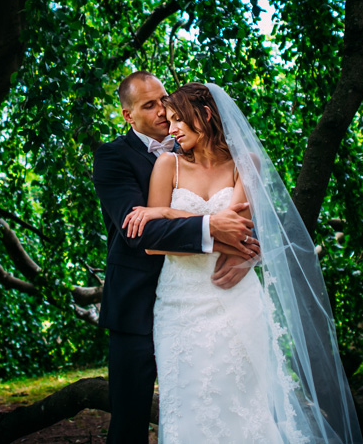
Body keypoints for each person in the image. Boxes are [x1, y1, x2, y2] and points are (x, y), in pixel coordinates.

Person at [123, 82, 363, 444]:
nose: (170, 128)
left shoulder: (245, 164)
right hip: (179, 304)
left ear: (204, 115)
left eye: (178, 120)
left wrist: (167, 212)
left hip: (236, 298)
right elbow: (155, 245)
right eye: (168, 119)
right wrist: (198, 225)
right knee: (188, 402)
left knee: (247, 400)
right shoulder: (166, 164)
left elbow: (239, 232)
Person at [91, 71, 260, 444]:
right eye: (148, 106)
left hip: (212, 298)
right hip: (138, 304)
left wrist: (251, 253)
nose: (163, 114)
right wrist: (214, 227)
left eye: (163, 101)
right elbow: (138, 231)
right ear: (128, 116)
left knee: (220, 401)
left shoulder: (202, 153)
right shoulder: (112, 157)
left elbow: (246, 218)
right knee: (130, 418)